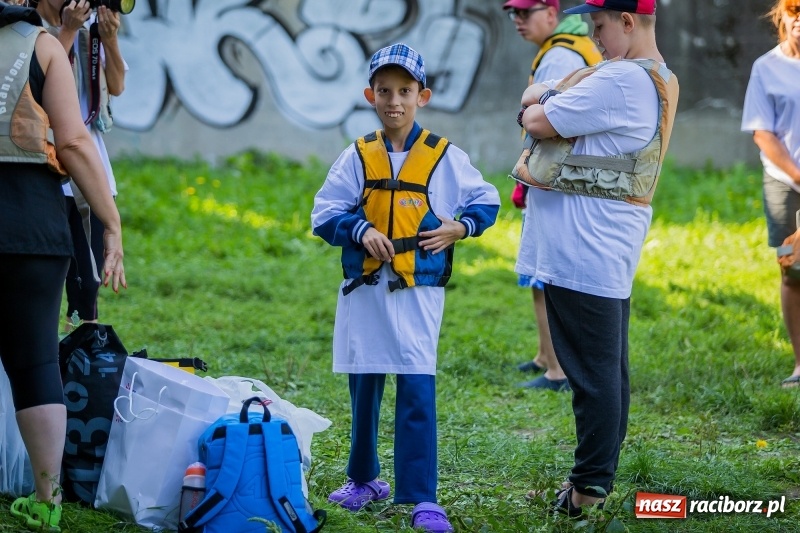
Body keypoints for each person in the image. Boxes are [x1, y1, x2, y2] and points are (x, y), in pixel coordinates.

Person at [311, 43, 500, 533]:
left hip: (417, 290)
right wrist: (359, 230)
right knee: (364, 385)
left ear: (423, 95)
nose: (394, 100)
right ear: (370, 94)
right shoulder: (357, 155)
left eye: (405, 91)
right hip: (365, 290)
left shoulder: (445, 157)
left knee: (416, 384)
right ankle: (364, 479)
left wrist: (460, 228)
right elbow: (325, 212)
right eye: (385, 90)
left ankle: (422, 497)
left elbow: (487, 201)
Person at [515, 0, 678, 516]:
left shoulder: (623, 80)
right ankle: (593, 482)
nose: (593, 35)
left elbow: (535, 117)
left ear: (628, 22)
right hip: (594, 247)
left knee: (593, 377)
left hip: (585, 250)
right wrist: (552, 97)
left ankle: (586, 492)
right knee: (604, 372)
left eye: (599, 25)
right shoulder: (652, 75)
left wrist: (542, 96)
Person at [0, 1, 126, 531]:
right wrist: (111, 222)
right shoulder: (42, 45)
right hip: (32, 224)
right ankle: (47, 500)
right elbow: (73, 141)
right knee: (34, 362)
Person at [503, 0, 602, 392]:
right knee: (538, 273)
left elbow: (550, 123)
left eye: (525, 12)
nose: (517, 21)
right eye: (513, 14)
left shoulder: (559, 58)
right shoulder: (562, 50)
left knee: (546, 276)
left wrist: (527, 177)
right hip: (557, 179)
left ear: (551, 12)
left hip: (554, 180)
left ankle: (558, 369)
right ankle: (547, 356)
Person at [33, 0, 127, 331]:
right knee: (45, 280)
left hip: (90, 171)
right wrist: (68, 30)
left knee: (87, 282)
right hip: (47, 171)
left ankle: (79, 361)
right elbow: (36, 87)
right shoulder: (30, 32)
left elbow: (116, 86)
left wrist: (110, 38)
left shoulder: (89, 38)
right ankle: (41, 360)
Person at [742, 0, 800, 388]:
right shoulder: (767, 67)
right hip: (784, 183)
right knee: (793, 270)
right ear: (782, 16)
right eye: (796, 12)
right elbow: (762, 132)